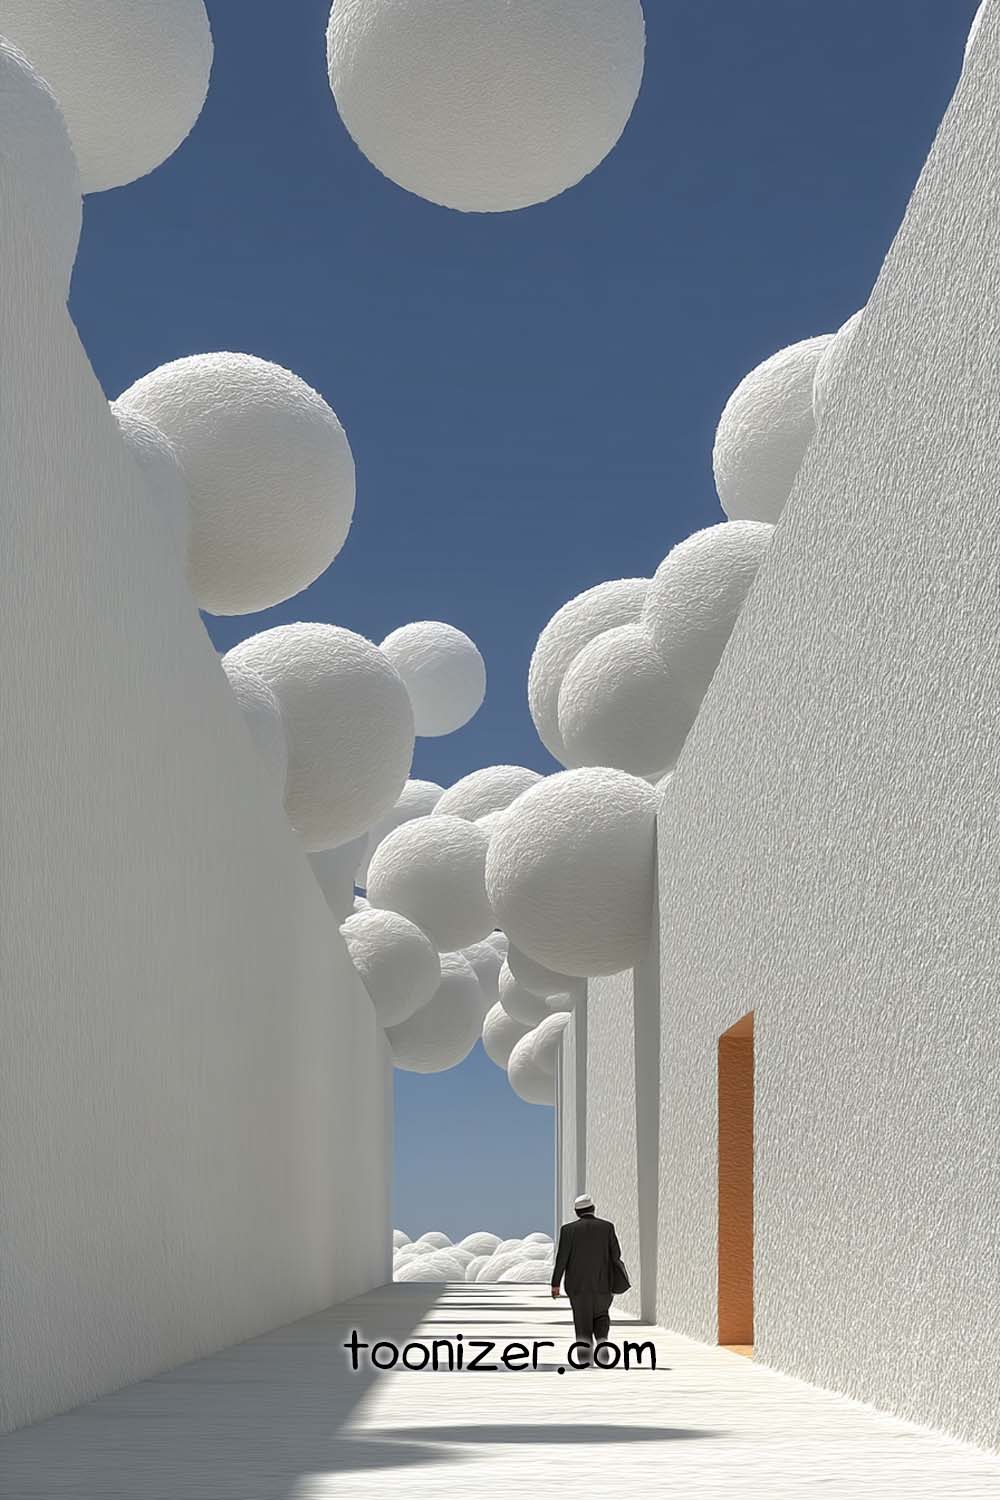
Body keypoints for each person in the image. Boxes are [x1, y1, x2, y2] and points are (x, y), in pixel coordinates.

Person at [550, 1192, 626, 1367]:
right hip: (603, 1284)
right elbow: (616, 1255)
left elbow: (562, 1259)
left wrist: (555, 1284)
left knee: (582, 1323)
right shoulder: (607, 1227)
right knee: (602, 1316)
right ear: (593, 1208)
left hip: (578, 1288)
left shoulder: (568, 1230)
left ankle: (585, 1360)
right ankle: (602, 1346)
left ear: (577, 1212)